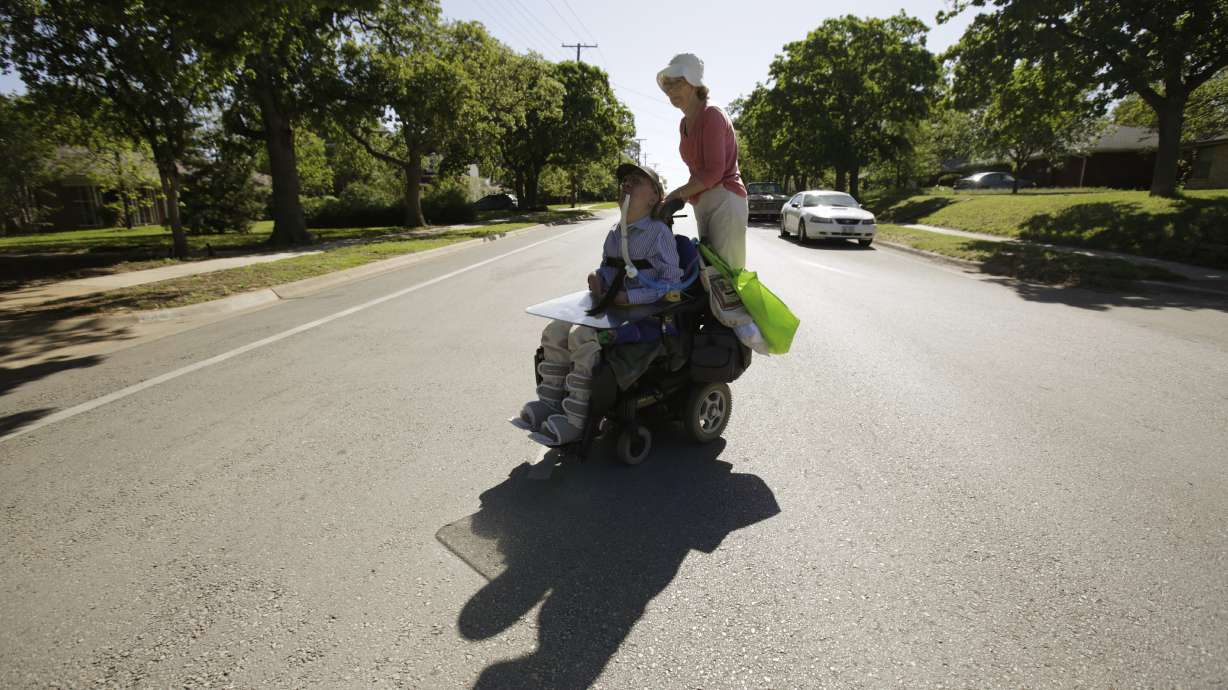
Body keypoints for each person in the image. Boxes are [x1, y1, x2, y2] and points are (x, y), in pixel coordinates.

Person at [513, 163, 684, 446]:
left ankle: (576, 419)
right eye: (625, 180)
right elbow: (609, 267)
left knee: (581, 335)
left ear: (654, 197)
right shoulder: (616, 233)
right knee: (555, 330)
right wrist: (598, 276)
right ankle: (551, 401)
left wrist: (630, 297)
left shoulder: (658, 233)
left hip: (644, 318)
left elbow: (672, 284)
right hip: (612, 309)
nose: (627, 183)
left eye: (636, 180)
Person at [657, 53, 748, 271]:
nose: (669, 90)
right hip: (703, 201)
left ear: (693, 84)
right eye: (666, 85)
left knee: (727, 275)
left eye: (676, 83)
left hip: (724, 199)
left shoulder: (712, 115)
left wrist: (676, 194)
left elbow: (713, 172)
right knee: (709, 273)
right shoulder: (684, 123)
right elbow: (697, 171)